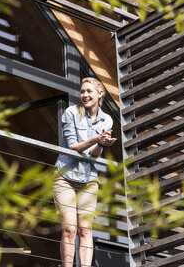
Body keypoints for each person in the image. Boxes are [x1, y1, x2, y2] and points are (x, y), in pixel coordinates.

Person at [53, 77, 116, 267]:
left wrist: (101, 143)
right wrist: (96, 138)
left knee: (86, 230)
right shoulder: (71, 112)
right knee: (70, 229)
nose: (85, 95)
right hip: (65, 176)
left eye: (89, 91)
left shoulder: (107, 119)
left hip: (89, 179)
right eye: (83, 91)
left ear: (100, 94)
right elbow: (73, 146)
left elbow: (94, 155)